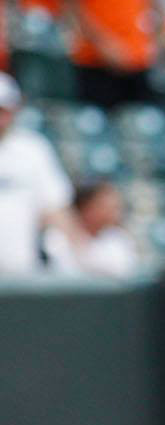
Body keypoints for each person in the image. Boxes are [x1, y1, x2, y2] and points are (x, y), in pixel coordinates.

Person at [0, 73, 80, 277]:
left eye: (4, 110)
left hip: (21, 269)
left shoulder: (33, 149)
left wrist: (81, 255)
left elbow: (56, 207)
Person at [45, 178, 139, 275]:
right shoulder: (56, 238)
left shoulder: (117, 238)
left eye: (115, 206)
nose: (114, 212)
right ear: (86, 207)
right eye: (105, 206)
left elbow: (123, 272)